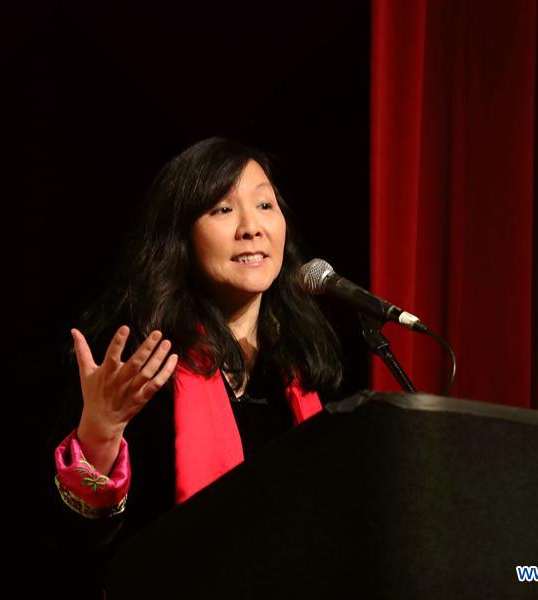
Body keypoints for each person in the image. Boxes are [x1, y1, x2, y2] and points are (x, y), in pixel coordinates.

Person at [50, 137, 342, 594]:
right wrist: (100, 432)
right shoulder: (140, 366)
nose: (251, 227)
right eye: (222, 210)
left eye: (265, 204)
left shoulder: (301, 372)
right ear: (180, 235)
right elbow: (74, 552)